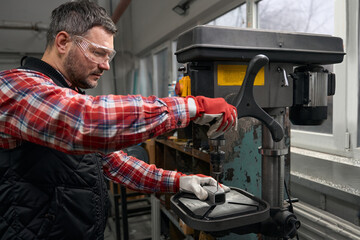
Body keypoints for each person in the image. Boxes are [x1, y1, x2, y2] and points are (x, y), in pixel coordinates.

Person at [0, 1, 237, 239]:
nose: (105, 65)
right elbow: (87, 120)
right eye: (97, 52)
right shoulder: (15, 86)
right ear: (63, 42)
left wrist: (179, 182)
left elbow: (115, 164)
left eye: (108, 55)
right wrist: (192, 106)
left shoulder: (67, 94)